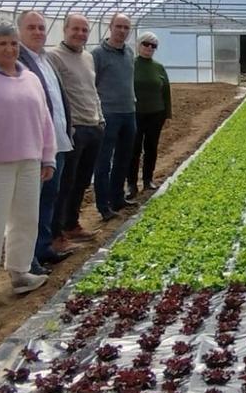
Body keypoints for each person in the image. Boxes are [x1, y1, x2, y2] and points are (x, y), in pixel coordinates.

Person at [0, 19, 55, 305]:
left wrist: (47, 156)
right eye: (2, 43)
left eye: (13, 43)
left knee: (26, 218)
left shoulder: (30, 78)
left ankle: (20, 272)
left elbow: (44, 120)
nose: (9, 48)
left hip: (29, 160)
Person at [17, 10, 74, 272]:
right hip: (35, 146)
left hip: (57, 141)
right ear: (20, 31)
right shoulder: (18, 63)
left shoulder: (46, 60)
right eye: (32, 28)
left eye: (41, 27)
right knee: (31, 204)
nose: (38, 32)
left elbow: (58, 101)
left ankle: (43, 247)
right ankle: (28, 261)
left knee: (50, 197)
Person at [48, 13, 105, 249]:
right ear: (65, 29)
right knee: (66, 182)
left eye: (85, 30)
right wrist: (66, 126)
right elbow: (53, 95)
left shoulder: (88, 57)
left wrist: (100, 119)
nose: (80, 34)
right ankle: (57, 232)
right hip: (74, 129)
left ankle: (72, 223)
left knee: (82, 180)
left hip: (93, 125)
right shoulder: (54, 57)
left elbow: (91, 90)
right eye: (76, 29)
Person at [91, 13, 137, 220]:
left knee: (123, 158)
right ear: (110, 27)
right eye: (118, 26)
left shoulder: (129, 52)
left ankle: (118, 197)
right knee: (104, 161)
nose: (122, 31)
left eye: (126, 27)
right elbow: (92, 85)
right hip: (109, 114)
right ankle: (104, 205)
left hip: (129, 112)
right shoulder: (98, 54)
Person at [127, 31, 172, 196]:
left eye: (153, 45)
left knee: (151, 148)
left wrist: (167, 114)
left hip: (156, 113)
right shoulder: (131, 65)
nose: (149, 48)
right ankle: (131, 184)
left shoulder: (158, 67)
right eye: (146, 44)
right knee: (134, 149)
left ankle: (148, 180)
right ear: (139, 45)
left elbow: (166, 91)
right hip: (136, 114)